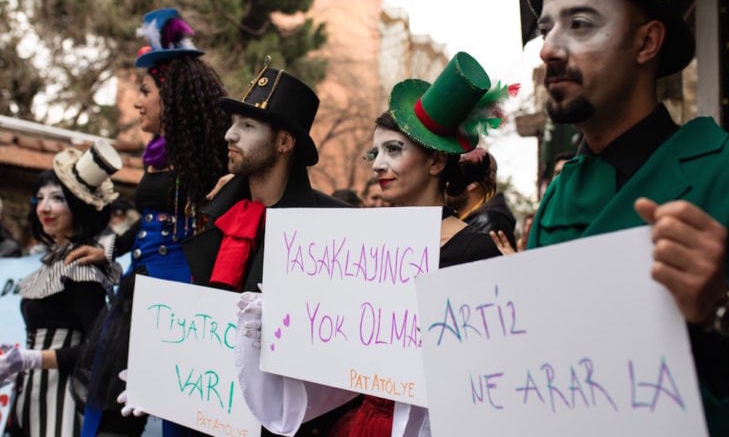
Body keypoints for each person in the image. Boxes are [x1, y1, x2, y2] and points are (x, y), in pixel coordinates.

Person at [523, 0, 729, 436]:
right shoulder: (557, 193)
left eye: (580, 24)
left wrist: (720, 310)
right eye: (546, 28)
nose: (549, 48)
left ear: (646, 43)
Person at [234, 51, 508, 437]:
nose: (378, 164)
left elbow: (484, 369)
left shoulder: (472, 251)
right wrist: (280, 324)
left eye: (394, 150)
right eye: (375, 151)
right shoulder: (360, 245)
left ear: (434, 163)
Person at [66, 7, 230, 437]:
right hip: (137, 288)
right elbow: (147, 223)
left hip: (180, 294)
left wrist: (231, 182)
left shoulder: (208, 161)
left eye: (144, 91)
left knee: (176, 412)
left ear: (171, 99)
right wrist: (110, 250)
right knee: (111, 416)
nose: (137, 101)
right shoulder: (157, 156)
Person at [175, 56, 360, 436]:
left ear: (284, 141)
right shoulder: (220, 215)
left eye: (247, 126)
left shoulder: (335, 224)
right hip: (208, 412)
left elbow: (343, 349)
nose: (230, 135)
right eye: (231, 124)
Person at [0, 141, 123, 437]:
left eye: (57, 198)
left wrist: (33, 358)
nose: (44, 207)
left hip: (64, 405)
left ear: (78, 206)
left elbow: (100, 348)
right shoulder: (52, 261)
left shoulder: (81, 267)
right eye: (40, 198)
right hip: (29, 400)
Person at [447, 147, 517, 254]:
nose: (446, 184)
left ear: (472, 186)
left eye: (454, 177)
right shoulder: (472, 222)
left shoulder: (489, 224)